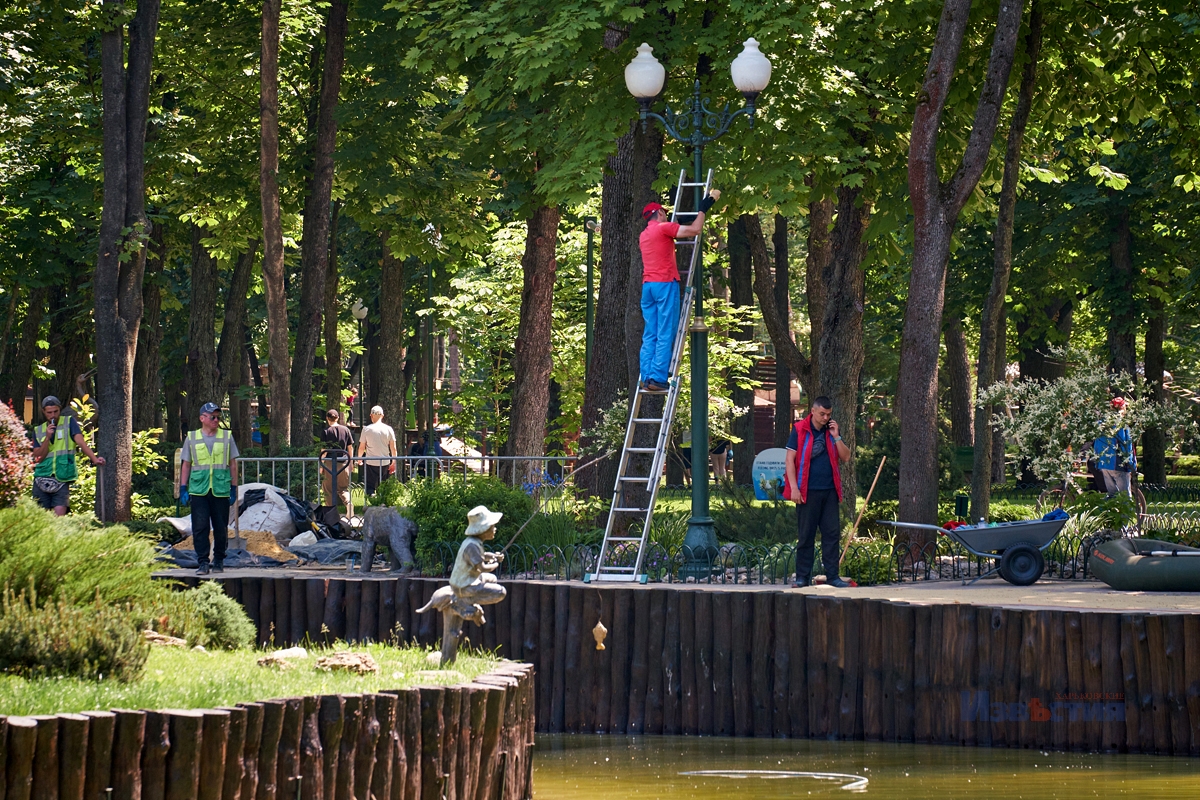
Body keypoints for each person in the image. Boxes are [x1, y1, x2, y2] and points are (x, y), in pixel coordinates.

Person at [637, 189, 720, 392]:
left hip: (648, 287)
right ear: (660, 213)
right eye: (664, 212)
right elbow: (695, 230)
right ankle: (657, 378)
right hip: (664, 284)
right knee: (666, 331)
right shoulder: (663, 228)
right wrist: (704, 207)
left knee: (651, 333)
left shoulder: (644, 235)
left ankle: (646, 376)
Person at [784, 396, 852, 588]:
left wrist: (836, 436)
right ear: (812, 411)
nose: (825, 417)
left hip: (829, 491)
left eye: (828, 414)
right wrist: (794, 488)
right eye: (822, 414)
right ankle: (802, 577)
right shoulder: (799, 429)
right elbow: (790, 461)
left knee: (831, 534)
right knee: (806, 535)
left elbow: (845, 457)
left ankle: (833, 577)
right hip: (807, 490)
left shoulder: (831, 431)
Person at [179, 402, 238, 576]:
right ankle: (203, 562)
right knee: (200, 528)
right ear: (202, 418)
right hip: (199, 490)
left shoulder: (227, 437)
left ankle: (219, 560)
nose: (216, 420)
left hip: (220, 489)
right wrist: (183, 487)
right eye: (212, 416)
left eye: (218, 417)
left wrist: (234, 488)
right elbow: (186, 465)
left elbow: (233, 465)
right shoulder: (192, 437)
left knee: (221, 528)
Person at [29, 395, 104, 515]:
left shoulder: (69, 422)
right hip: (41, 477)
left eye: (55, 411)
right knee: (41, 520)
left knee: (59, 519)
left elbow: (80, 442)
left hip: (62, 477)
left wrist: (94, 459)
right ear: (44, 412)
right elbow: (38, 457)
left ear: (60, 409)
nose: (53, 415)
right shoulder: (38, 430)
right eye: (49, 413)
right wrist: (47, 438)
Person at [1094, 397, 1136, 498]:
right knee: (1125, 496)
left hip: (1104, 463)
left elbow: (1096, 443)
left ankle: (1112, 513)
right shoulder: (1120, 423)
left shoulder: (1101, 423)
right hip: (1118, 463)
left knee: (1112, 494)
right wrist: (1130, 464)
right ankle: (1128, 514)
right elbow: (1125, 443)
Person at [358, 405, 397, 496]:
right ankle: (382, 503)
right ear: (382, 416)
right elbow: (393, 448)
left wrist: (359, 458)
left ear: (371, 416)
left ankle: (371, 503)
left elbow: (361, 447)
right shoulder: (388, 429)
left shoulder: (366, 429)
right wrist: (393, 462)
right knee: (383, 485)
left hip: (370, 462)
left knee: (370, 486)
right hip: (385, 462)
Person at [320, 409, 353, 508]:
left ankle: (331, 513)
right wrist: (350, 462)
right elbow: (350, 448)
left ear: (327, 418)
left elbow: (323, 451)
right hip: (343, 462)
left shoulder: (325, 432)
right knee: (343, 488)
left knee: (328, 489)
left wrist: (321, 465)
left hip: (329, 463)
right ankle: (348, 503)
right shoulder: (346, 430)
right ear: (338, 418)